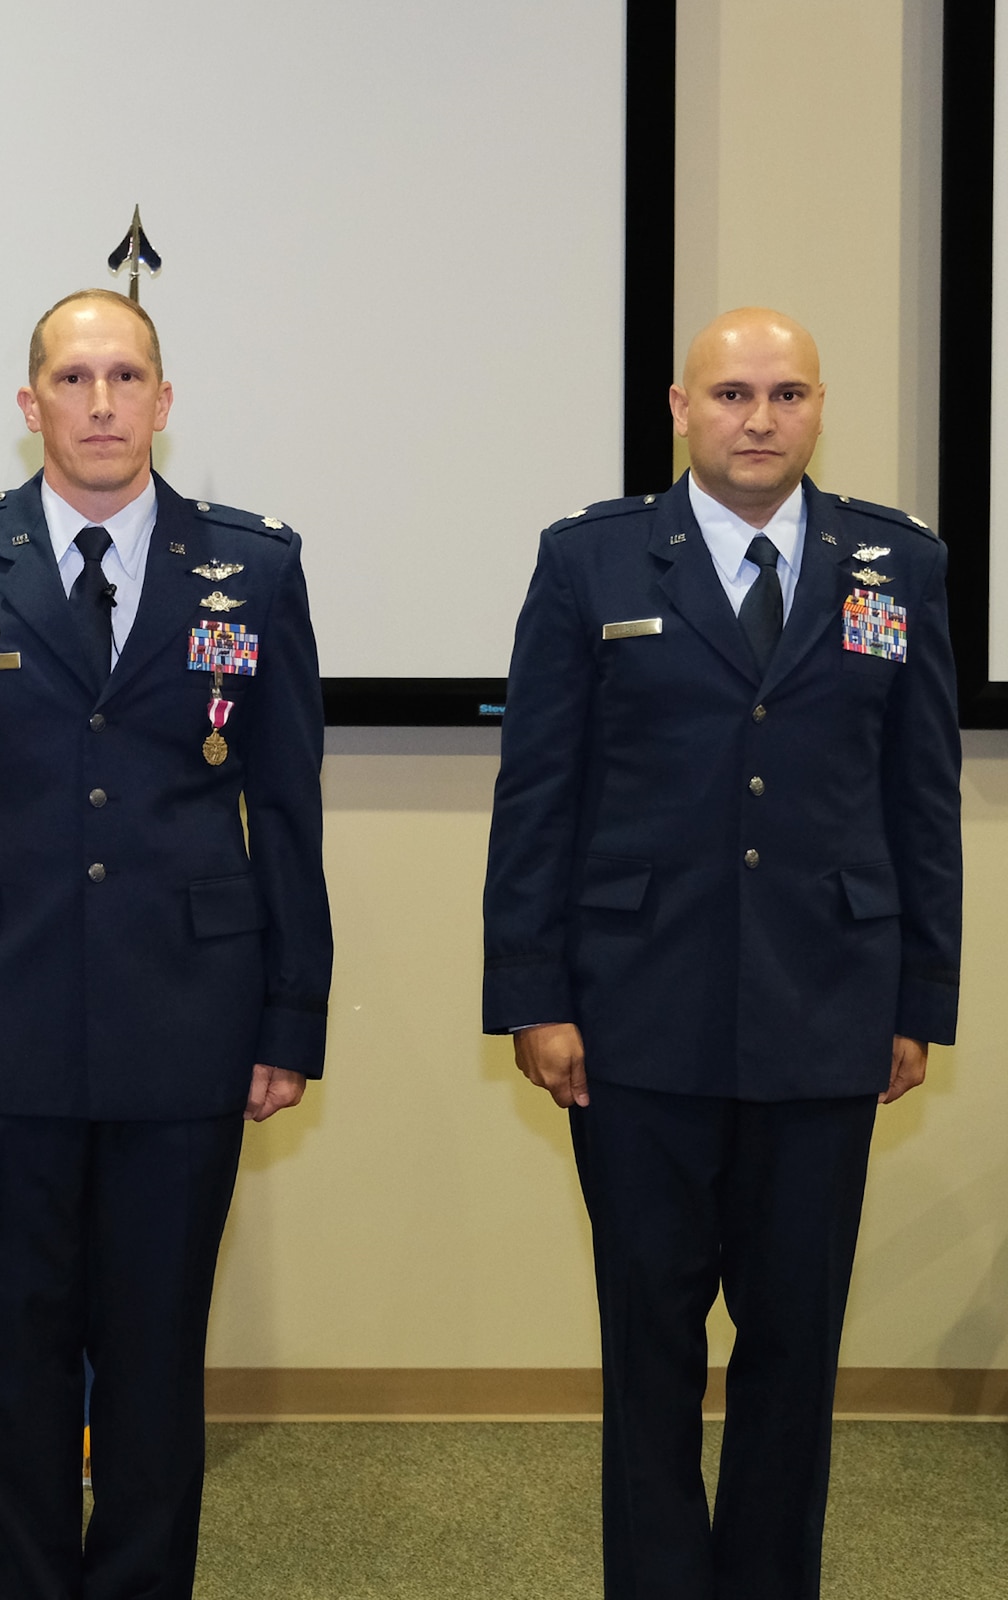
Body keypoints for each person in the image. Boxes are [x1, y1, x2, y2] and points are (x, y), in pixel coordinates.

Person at [482, 307, 961, 1598]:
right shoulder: (592, 562)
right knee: (650, 1338)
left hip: (828, 1009)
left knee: (796, 1341)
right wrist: (533, 994)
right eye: (734, 394)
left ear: (818, 408)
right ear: (681, 409)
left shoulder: (895, 564)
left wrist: (920, 998)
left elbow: (921, 797)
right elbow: (539, 793)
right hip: (635, 1013)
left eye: (788, 393)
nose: (761, 418)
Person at [0, 290, 332, 1600]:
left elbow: (287, 804)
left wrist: (290, 1014)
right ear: (31, 408)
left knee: (153, 1356)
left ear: (165, 401)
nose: (101, 405)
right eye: (73, 380)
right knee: (17, 1356)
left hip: (189, 1020)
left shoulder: (254, 567)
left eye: (126, 377)